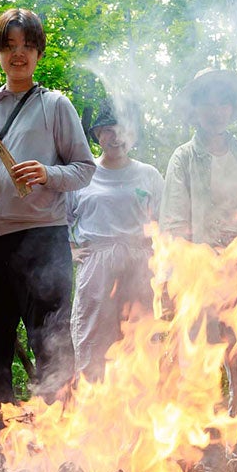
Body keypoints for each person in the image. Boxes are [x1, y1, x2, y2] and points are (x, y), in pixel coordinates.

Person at [0, 8, 95, 421]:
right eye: (10, 46)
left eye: (28, 46)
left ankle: (63, 445)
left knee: (51, 344)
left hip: (42, 239)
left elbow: (85, 169)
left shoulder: (55, 105)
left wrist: (47, 173)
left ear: (38, 53)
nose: (19, 55)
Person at [159, 68, 237, 464]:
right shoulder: (184, 157)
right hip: (200, 282)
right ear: (196, 109)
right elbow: (173, 222)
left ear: (232, 108)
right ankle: (205, 458)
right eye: (206, 101)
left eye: (222, 101)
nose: (215, 109)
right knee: (200, 371)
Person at [68, 98, 164, 381]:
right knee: (92, 336)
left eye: (121, 129)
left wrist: (163, 266)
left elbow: (165, 222)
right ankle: (93, 411)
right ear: (97, 135)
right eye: (107, 130)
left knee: (141, 338)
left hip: (139, 264)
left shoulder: (149, 175)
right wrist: (70, 250)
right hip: (96, 264)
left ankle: (140, 415)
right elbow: (61, 217)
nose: (115, 137)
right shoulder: (84, 175)